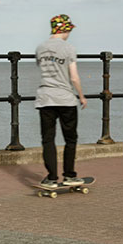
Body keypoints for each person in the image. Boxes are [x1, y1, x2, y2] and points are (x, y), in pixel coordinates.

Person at [34, 14, 87, 188]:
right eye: (69, 30)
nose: (69, 34)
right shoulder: (68, 48)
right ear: (64, 29)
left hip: (45, 98)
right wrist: (81, 96)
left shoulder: (40, 48)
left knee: (48, 139)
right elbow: (74, 77)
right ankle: (70, 175)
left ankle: (51, 177)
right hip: (66, 99)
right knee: (70, 139)